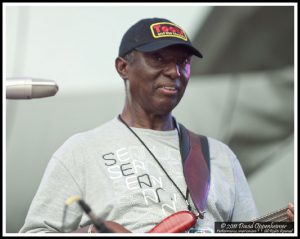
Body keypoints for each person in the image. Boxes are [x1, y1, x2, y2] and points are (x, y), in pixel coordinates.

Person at [19, 17, 294, 234]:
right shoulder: (81, 151)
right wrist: (92, 232)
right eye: (159, 59)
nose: (174, 72)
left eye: (182, 62)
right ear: (123, 67)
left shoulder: (220, 155)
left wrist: (283, 226)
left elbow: (246, 230)